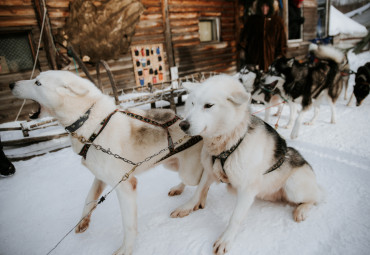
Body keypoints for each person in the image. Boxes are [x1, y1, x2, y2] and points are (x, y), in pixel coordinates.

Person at [241, 0, 287, 71]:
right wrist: (242, 51)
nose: (264, 8)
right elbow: (244, 38)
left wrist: (279, 57)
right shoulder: (251, 20)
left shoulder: (277, 21)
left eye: (267, 6)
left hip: (271, 61)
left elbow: (282, 42)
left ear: (271, 7)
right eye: (262, 6)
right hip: (254, 61)